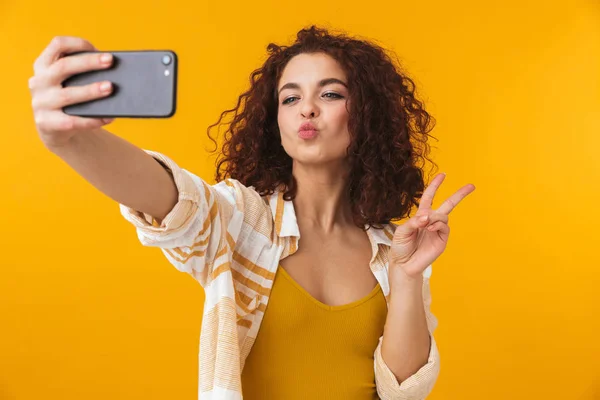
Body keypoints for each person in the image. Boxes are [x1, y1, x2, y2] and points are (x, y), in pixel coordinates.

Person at [29, 25, 475, 400]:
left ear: (367, 115)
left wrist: (407, 276)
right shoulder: (241, 221)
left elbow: (402, 390)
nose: (308, 109)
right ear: (274, 121)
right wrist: (68, 140)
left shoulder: (390, 247)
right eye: (290, 98)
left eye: (331, 93)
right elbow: (170, 198)